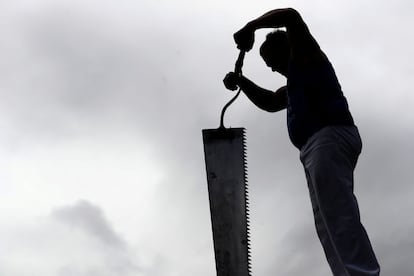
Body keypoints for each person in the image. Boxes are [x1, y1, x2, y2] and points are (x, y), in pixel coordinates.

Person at [223, 8, 380, 276]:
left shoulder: (307, 57)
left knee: (338, 215)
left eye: (270, 59)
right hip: (314, 147)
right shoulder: (295, 83)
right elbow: (273, 102)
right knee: (327, 223)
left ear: (286, 47)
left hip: (328, 137)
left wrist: (251, 26)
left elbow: (291, 15)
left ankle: (361, 273)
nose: (271, 67)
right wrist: (242, 82)